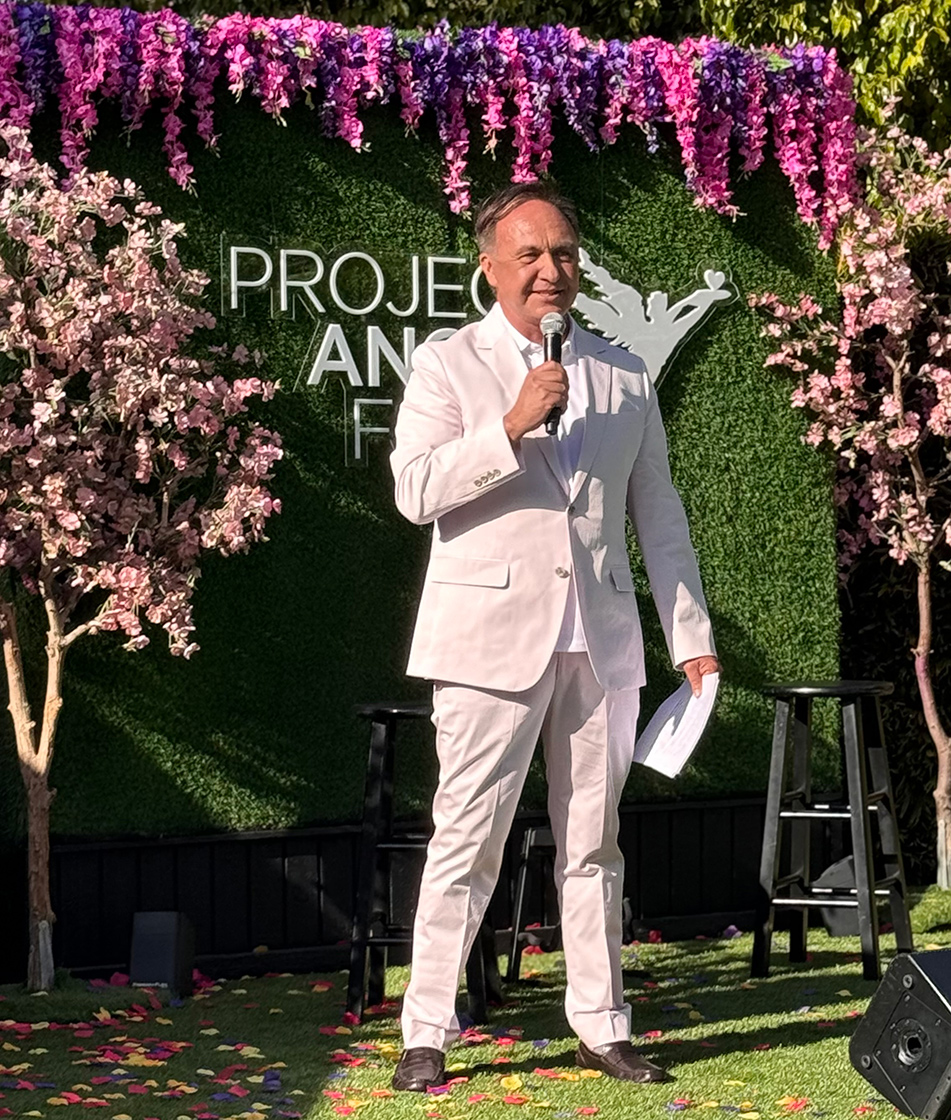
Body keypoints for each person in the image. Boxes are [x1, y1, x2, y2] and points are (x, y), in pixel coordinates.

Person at [389, 182, 719, 1091]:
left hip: (600, 640)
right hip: (486, 641)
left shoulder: (622, 373)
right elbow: (414, 490)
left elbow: (659, 513)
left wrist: (688, 634)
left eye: (564, 253)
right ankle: (426, 1029)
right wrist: (509, 424)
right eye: (529, 254)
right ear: (489, 267)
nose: (550, 270)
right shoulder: (448, 365)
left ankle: (601, 1024)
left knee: (592, 843)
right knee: (467, 838)